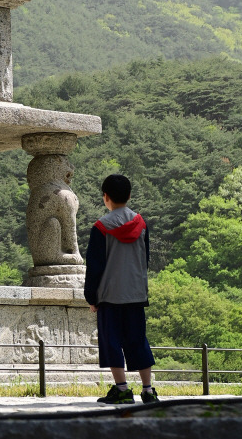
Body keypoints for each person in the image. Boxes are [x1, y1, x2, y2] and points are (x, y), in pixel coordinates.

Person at [84, 173, 158, 405]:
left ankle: (123, 390)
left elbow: (94, 266)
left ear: (106, 197)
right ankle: (148, 390)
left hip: (110, 295)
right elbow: (144, 259)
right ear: (128, 196)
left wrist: (91, 296)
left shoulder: (101, 227)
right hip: (136, 293)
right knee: (138, 340)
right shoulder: (141, 224)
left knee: (112, 341)